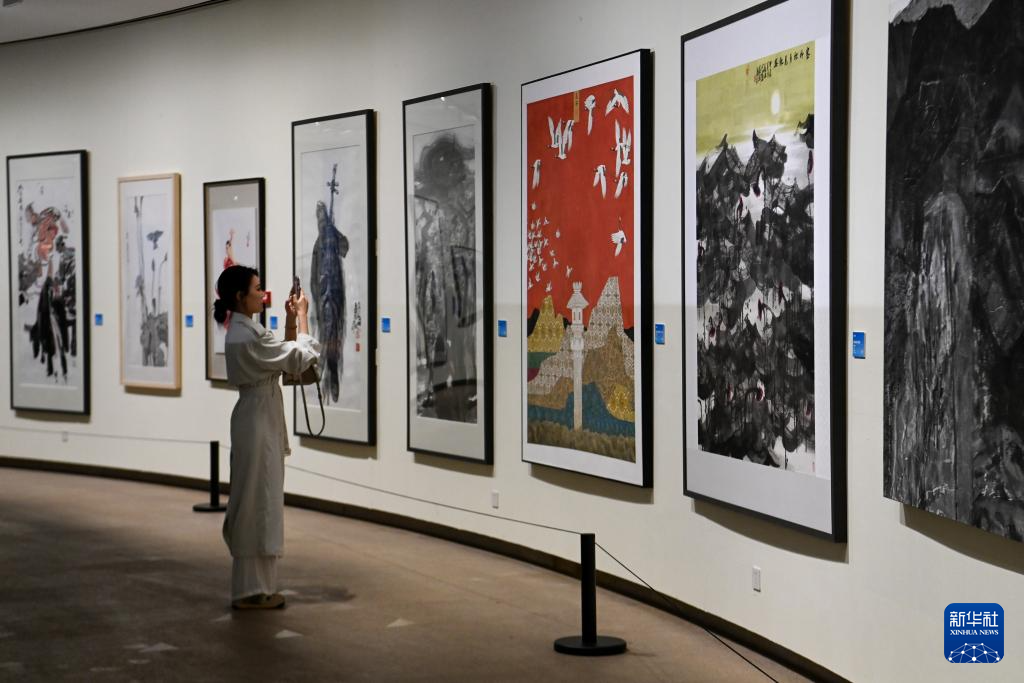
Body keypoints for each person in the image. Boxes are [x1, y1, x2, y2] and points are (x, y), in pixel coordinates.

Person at [213, 265, 320, 610]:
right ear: (240, 296)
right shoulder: (247, 336)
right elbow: (300, 358)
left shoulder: (244, 330)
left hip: (258, 416)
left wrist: (288, 321)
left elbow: (279, 355)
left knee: (260, 499)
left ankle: (259, 587)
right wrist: (302, 316)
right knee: (258, 502)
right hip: (258, 421)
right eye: (257, 289)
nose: (263, 294)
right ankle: (251, 591)